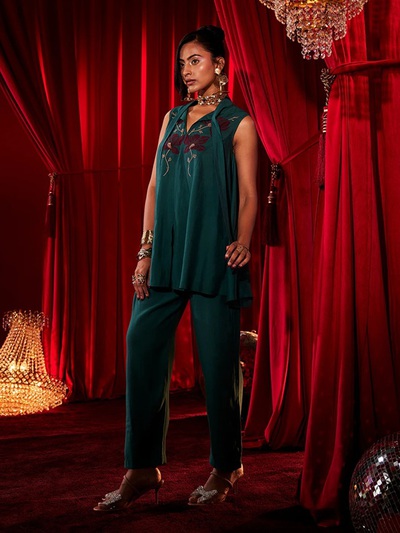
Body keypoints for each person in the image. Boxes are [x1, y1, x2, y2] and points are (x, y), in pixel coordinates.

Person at [94, 24, 258, 511]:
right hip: (165, 251)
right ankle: (142, 467)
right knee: (141, 344)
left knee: (219, 365)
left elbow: (249, 193)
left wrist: (243, 241)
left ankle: (226, 467)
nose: (187, 70)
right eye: (183, 62)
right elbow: (152, 187)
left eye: (196, 60)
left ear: (219, 64)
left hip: (214, 253)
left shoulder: (238, 124)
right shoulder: (172, 117)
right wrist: (144, 252)